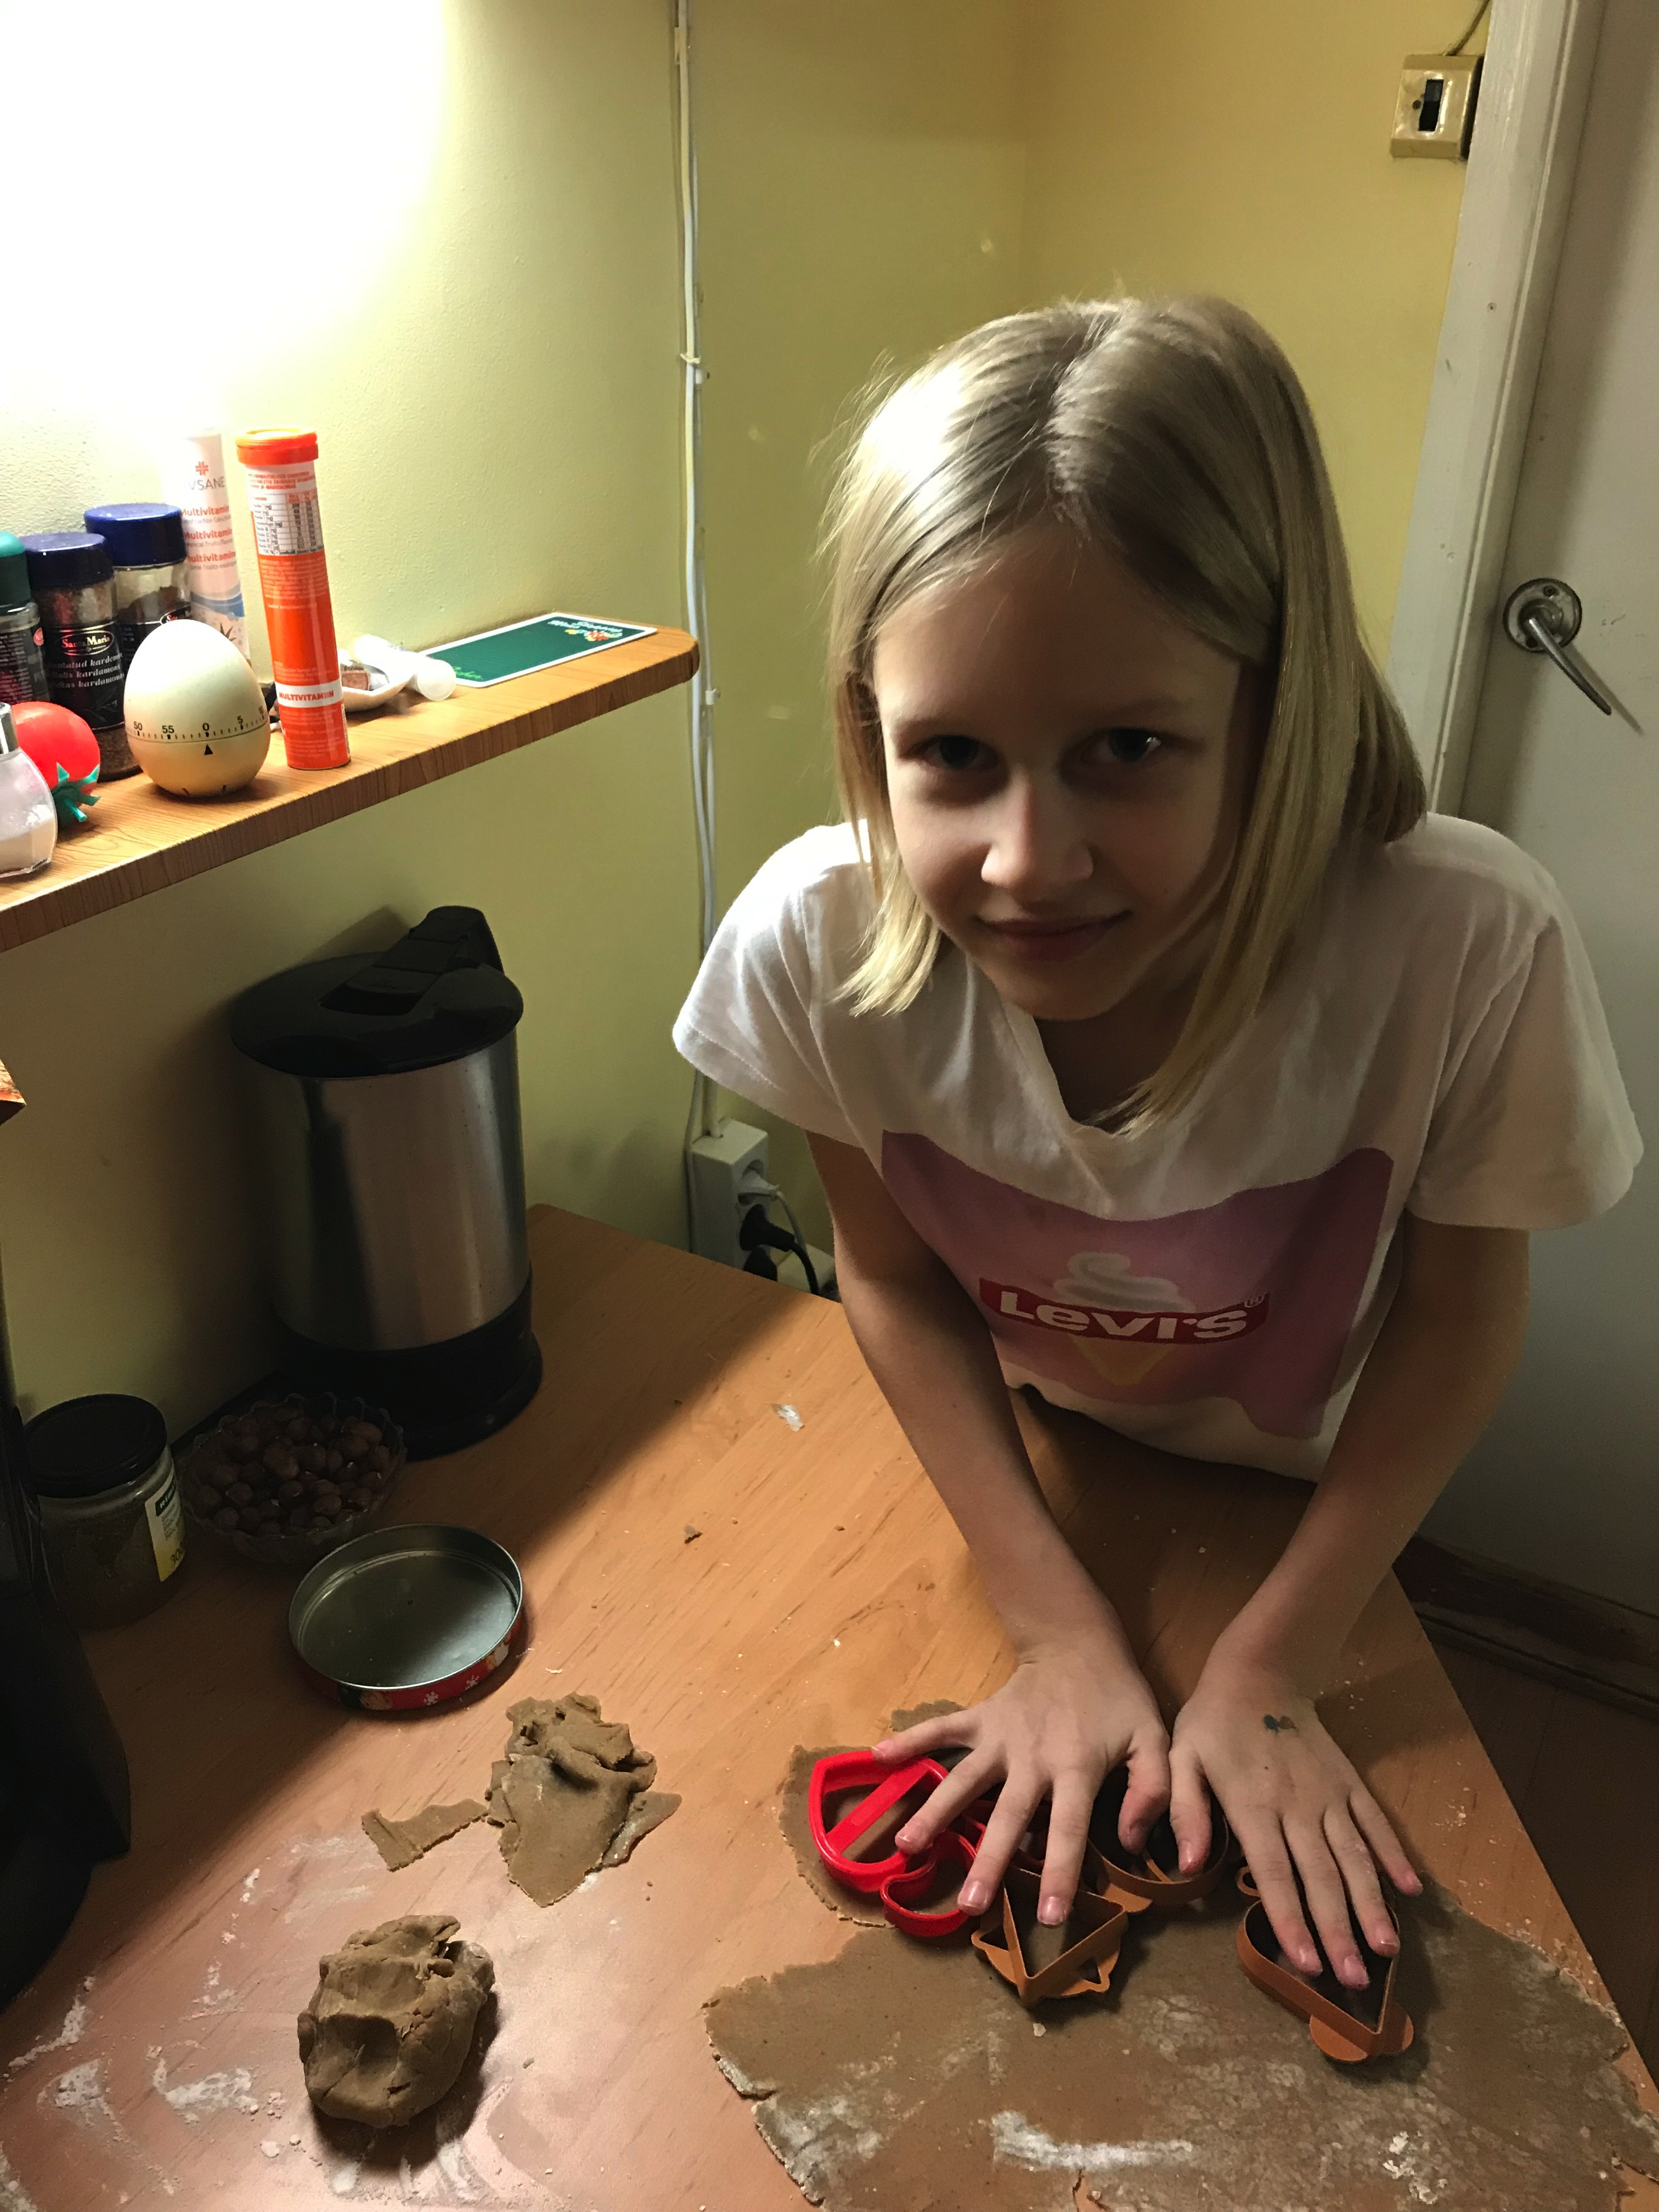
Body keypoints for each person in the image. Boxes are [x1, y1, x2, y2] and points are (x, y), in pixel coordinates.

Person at [673, 297, 1639, 1993]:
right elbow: (889, 1276)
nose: (1027, 861)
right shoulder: (814, 946)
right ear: (865, 724)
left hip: (1311, 1505)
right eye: (950, 755)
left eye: (1127, 749)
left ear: (1280, 712)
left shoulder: (1467, 947)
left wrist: (1275, 1666)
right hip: (1040, 1467)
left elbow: (1459, 1318)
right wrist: (1053, 1623)